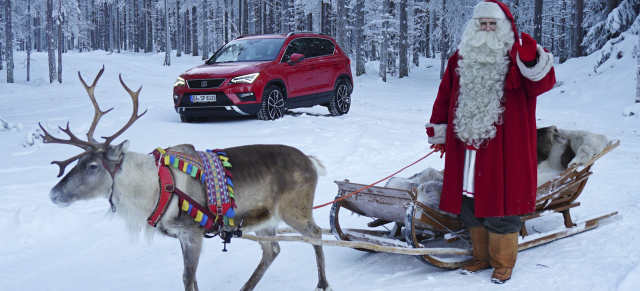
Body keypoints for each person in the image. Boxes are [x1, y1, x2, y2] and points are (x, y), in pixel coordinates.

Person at [425, 0, 555, 284]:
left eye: (492, 24)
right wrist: (440, 133)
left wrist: (531, 57)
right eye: (481, 24)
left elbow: (542, 84)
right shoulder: (460, 58)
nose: (486, 29)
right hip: (467, 147)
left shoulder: (517, 59)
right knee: (469, 200)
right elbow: (444, 96)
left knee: (502, 201)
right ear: (473, 27)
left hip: (504, 149)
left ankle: (503, 262)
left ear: (504, 27)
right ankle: (481, 257)